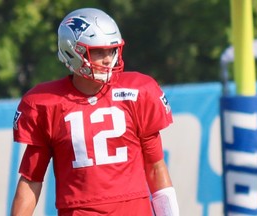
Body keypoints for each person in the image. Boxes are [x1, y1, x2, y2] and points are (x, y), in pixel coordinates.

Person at [10, 8, 179, 216]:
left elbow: (155, 167)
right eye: (98, 51)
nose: (108, 59)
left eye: (112, 50)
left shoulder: (138, 92)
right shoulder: (45, 103)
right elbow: (31, 179)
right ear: (72, 51)